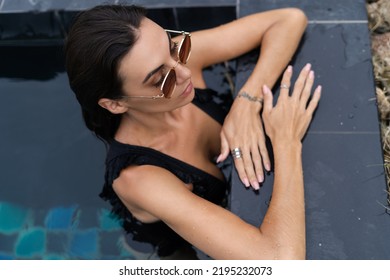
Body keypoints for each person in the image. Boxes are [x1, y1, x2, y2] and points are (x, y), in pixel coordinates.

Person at [64, 4, 321, 259]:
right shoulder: (139, 179)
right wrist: (286, 140)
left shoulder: (168, 60)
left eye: (175, 47)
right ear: (116, 103)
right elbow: (279, 263)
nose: (185, 71)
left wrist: (247, 101)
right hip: (171, 243)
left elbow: (289, 19)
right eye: (161, 81)